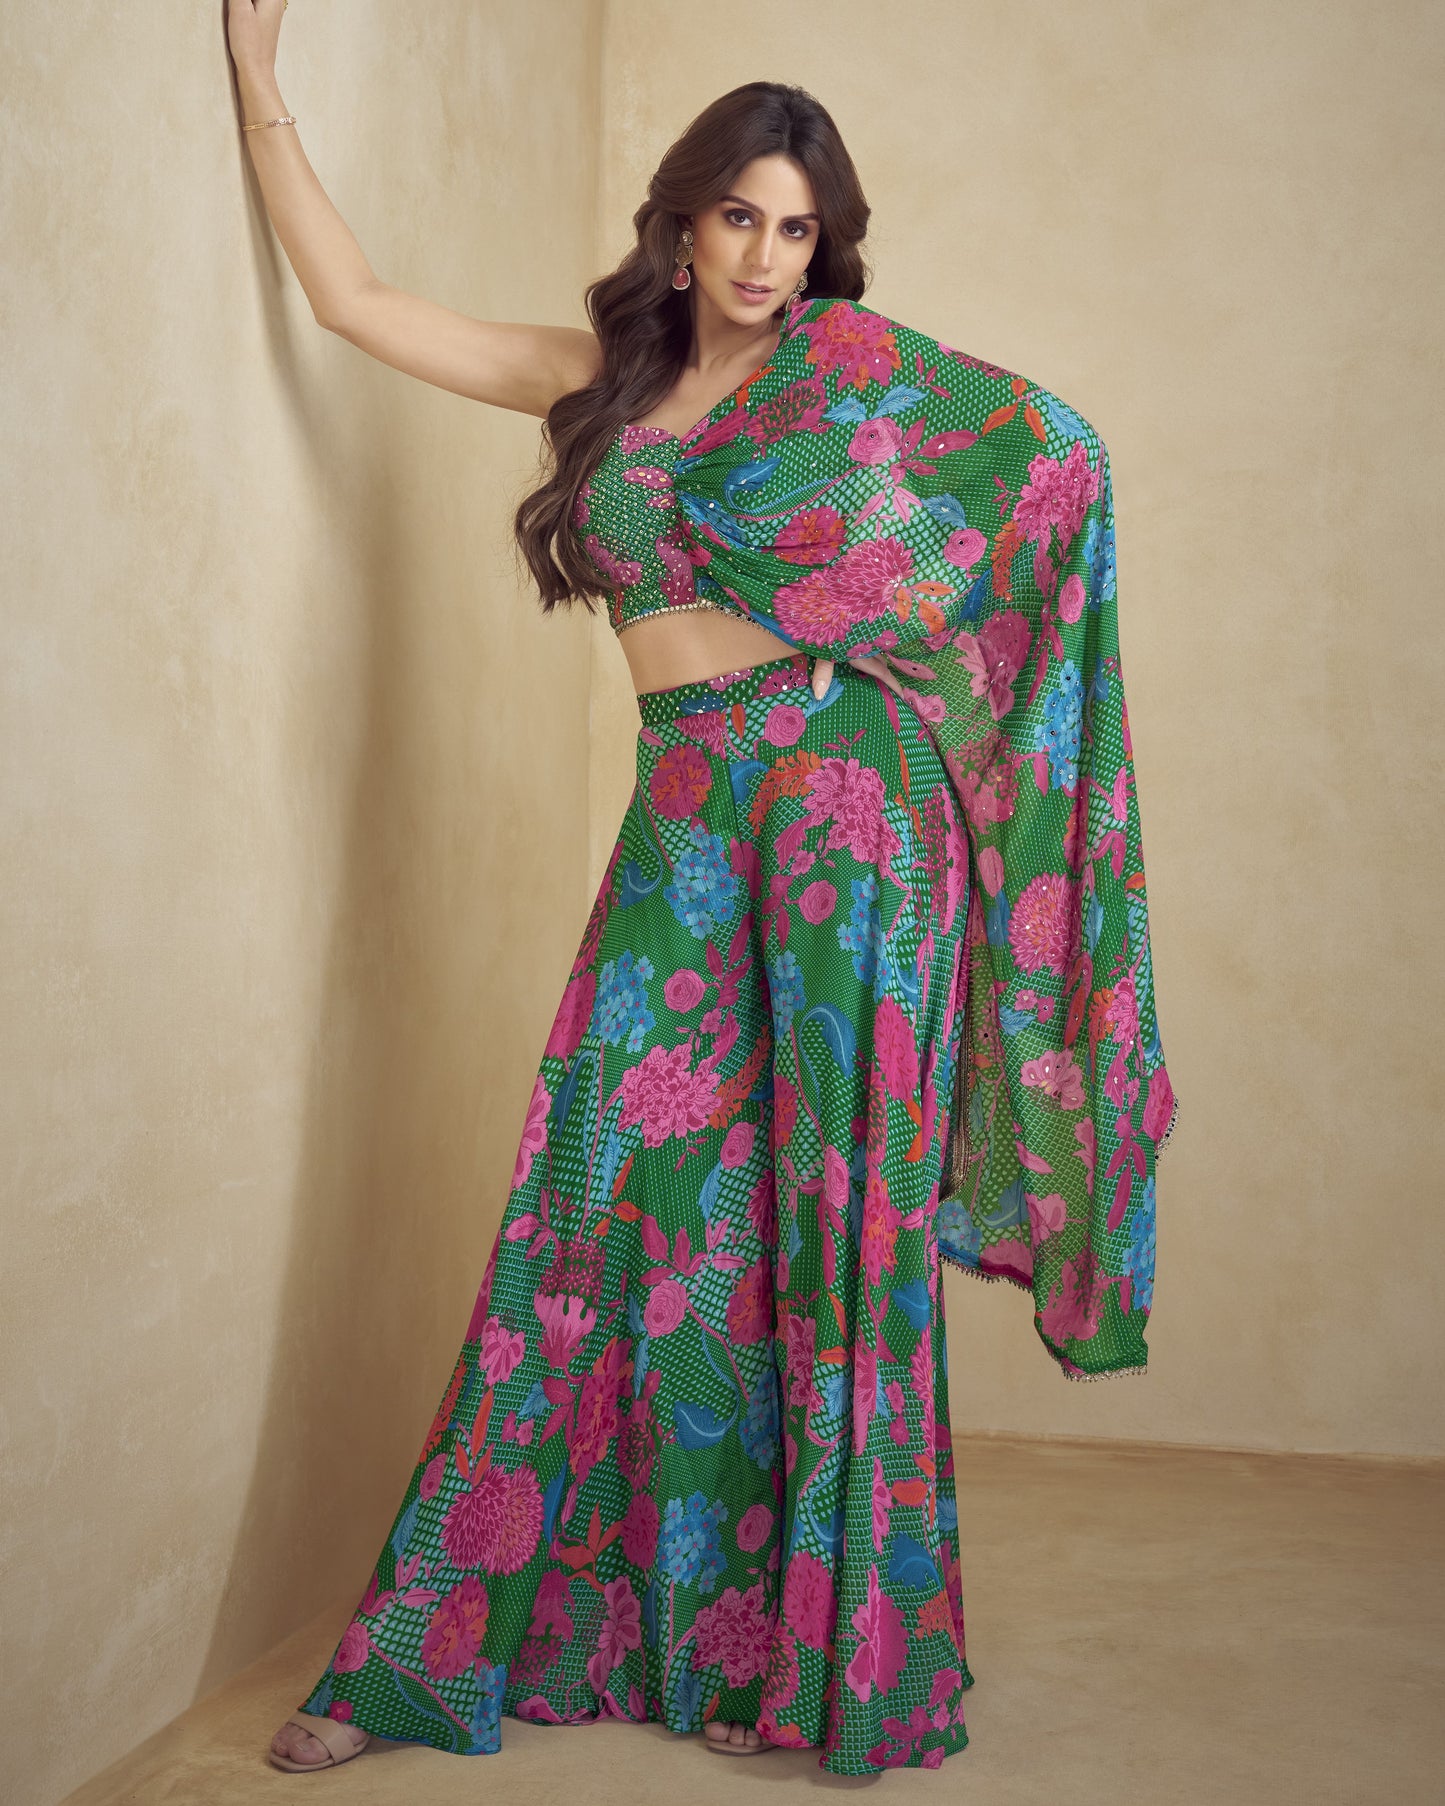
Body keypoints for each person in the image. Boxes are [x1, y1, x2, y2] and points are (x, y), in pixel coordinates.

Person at [229, 2, 1174, 1779]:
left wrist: (920, 680)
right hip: (682, 816)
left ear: (828, 241)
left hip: (845, 814)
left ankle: (840, 1666)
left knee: (831, 1203)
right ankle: (435, 1655)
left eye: (798, 224)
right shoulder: (597, 386)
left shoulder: (858, 377)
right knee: (598, 1196)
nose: (766, 254)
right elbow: (357, 307)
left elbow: (1061, 465)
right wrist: (264, 94)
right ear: (681, 222)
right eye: (740, 215)